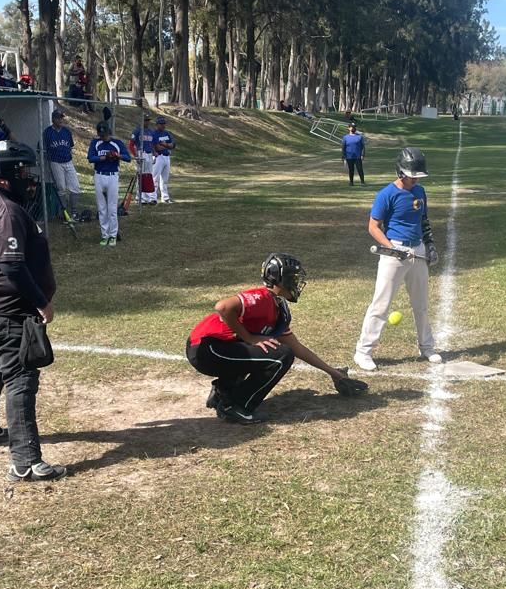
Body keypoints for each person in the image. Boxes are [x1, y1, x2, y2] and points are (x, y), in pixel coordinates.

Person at [0, 140, 66, 483]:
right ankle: (25, 461)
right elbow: (12, 267)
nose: (29, 178)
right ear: (5, 177)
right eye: (23, 171)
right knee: (21, 379)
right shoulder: (6, 210)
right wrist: (41, 300)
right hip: (8, 311)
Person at [186, 253, 368, 424]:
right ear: (280, 279)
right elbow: (223, 307)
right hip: (206, 349)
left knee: (272, 350)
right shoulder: (263, 297)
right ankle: (235, 406)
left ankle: (223, 392)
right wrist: (249, 338)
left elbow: (297, 348)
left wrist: (334, 374)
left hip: (212, 349)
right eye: (293, 278)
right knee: (281, 356)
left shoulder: (276, 306)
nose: (297, 283)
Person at [354, 147, 440, 371]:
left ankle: (427, 346)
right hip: (395, 252)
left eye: (418, 177)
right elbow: (373, 227)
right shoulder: (386, 195)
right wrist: (391, 247)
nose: (415, 180)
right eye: (412, 176)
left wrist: (429, 245)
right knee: (381, 304)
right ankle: (363, 352)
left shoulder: (420, 192)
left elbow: (424, 221)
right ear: (401, 172)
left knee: (421, 304)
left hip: (417, 250)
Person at [88, 120, 131, 246]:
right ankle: (104, 234)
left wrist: (117, 155)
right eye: (101, 134)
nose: (103, 136)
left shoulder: (116, 143)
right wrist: (104, 157)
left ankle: (113, 235)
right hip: (99, 175)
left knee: (112, 208)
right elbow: (91, 158)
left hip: (112, 176)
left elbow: (127, 157)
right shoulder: (95, 143)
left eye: (105, 134)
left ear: (109, 132)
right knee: (102, 208)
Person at [43, 109, 81, 217]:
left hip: (68, 161)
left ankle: (74, 212)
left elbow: (70, 146)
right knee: (61, 188)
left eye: (61, 118)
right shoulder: (47, 132)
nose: (60, 120)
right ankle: (64, 212)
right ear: (53, 119)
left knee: (75, 187)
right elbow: (42, 148)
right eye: (58, 118)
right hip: (55, 162)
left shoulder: (66, 131)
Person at [131, 112, 157, 205]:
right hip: (141, 153)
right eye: (145, 121)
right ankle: (139, 197)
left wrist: (154, 153)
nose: (147, 122)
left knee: (149, 175)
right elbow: (131, 145)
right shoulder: (137, 131)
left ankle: (149, 197)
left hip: (149, 154)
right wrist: (136, 155)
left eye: (148, 121)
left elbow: (152, 144)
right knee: (141, 175)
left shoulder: (151, 132)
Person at [151, 115, 176, 203]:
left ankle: (165, 198)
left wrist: (165, 145)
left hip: (166, 157)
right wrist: (167, 146)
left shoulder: (167, 133)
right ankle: (153, 198)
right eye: (161, 124)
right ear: (157, 124)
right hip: (158, 157)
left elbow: (173, 145)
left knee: (165, 179)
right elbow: (157, 147)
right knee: (155, 178)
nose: (163, 125)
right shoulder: (154, 134)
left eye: (164, 123)